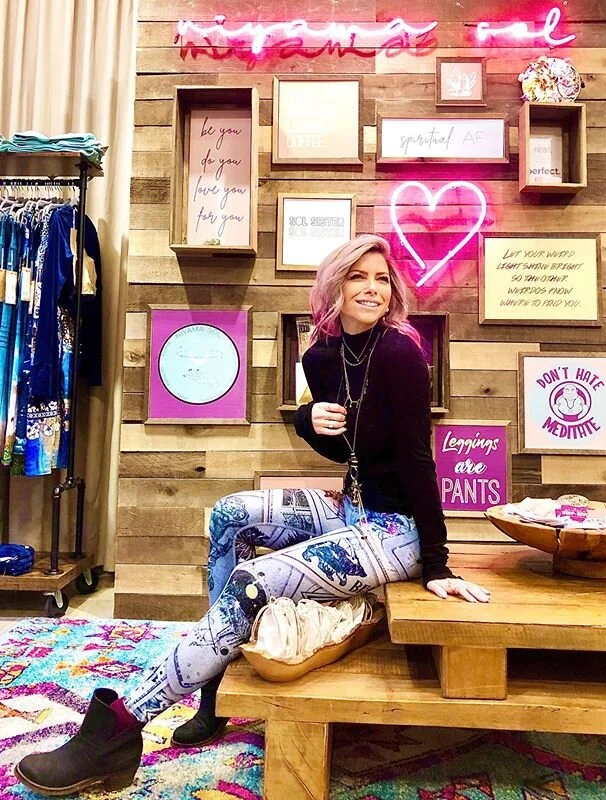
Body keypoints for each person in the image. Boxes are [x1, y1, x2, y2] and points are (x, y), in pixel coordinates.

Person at [14, 234, 490, 797]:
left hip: (395, 531)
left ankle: (120, 729)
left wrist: (436, 562)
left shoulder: (401, 354)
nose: (372, 288)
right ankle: (213, 689)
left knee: (252, 581)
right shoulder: (320, 356)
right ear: (334, 286)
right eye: (357, 276)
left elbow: (416, 458)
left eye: (382, 278)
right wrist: (309, 421)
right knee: (228, 514)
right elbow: (342, 449)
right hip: (350, 508)